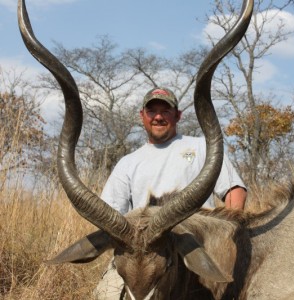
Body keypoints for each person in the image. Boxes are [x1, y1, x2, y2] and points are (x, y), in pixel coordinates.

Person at [93, 87, 247, 299]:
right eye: (152, 111)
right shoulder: (127, 163)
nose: (158, 117)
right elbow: (110, 215)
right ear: (142, 116)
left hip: (195, 248)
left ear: (178, 115)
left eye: (165, 111)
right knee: (104, 295)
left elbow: (234, 191)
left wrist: (226, 241)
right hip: (146, 256)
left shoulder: (201, 147)